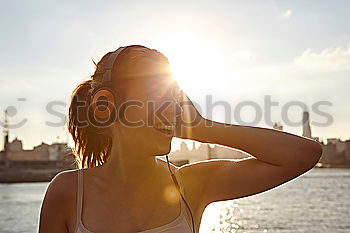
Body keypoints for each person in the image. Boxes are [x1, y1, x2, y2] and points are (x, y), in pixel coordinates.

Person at [38, 45, 323, 233]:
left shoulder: (191, 185)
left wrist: (202, 127)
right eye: (155, 99)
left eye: (174, 100)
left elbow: (304, 154)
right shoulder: (68, 192)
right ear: (106, 106)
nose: (171, 111)